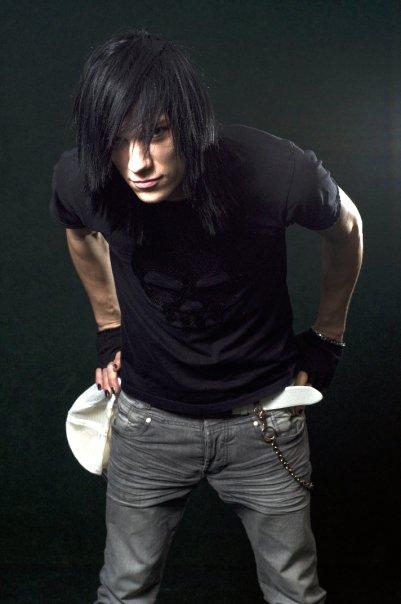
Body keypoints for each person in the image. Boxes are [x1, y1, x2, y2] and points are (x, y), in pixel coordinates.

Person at [49, 27, 363, 604]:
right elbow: (79, 232)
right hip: (148, 422)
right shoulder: (85, 178)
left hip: (264, 420)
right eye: (118, 141)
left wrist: (328, 338)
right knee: (123, 591)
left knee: (294, 592)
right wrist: (110, 325)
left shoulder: (272, 169)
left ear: (190, 122)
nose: (138, 163)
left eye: (157, 134)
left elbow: (347, 226)